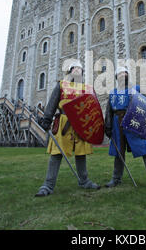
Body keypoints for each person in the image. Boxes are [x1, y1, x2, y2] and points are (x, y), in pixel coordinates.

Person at [35, 61, 100, 197]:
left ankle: (84, 181)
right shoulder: (61, 85)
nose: (77, 70)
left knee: (81, 154)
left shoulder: (87, 88)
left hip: (81, 124)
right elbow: (52, 103)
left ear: (82, 72)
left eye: (79, 68)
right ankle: (48, 185)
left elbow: (92, 108)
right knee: (56, 154)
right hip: (64, 122)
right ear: (69, 71)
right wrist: (47, 119)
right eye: (74, 68)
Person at [104, 66, 146, 191]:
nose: (123, 74)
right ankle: (116, 178)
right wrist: (108, 126)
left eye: (125, 72)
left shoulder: (136, 89)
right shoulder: (113, 93)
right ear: (116, 77)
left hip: (134, 122)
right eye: (120, 73)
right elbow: (109, 110)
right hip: (117, 123)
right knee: (118, 152)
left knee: (145, 149)